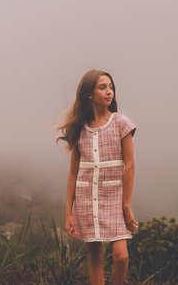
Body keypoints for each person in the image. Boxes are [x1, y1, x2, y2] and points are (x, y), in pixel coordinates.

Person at [56, 69, 139, 285]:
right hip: (85, 200)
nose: (109, 91)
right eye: (103, 87)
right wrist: (69, 213)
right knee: (95, 258)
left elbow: (129, 166)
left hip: (114, 199)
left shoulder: (121, 123)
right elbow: (73, 172)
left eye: (111, 87)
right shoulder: (79, 128)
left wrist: (126, 205)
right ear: (89, 94)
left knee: (122, 257)